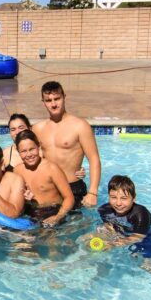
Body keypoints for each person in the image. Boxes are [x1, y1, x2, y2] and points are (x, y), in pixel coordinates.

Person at [32, 81, 101, 209]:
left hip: (73, 188)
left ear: (64, 97)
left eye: (57, 99)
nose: (53, 104)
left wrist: (93, 192)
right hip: (49, 189)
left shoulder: (80, 126)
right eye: (48, 100)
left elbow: (94, 159)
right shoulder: (37, 129)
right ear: (43, 102)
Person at [92, 175, 151, 266]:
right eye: (113, 197)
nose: (118, 203)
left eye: (124, 198)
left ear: (134, 198)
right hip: (131, 230)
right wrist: (99, 236)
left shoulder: (140, 213)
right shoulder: (104, 210)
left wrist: (114, 244)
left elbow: (138, 237)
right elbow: (109, 227)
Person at [13, 130, 74, 227]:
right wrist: (25, 200)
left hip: (53, 212)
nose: (29, 155)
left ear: (39, 146)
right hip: (30, 213)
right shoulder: (17, 170)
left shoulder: (52, 169)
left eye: (32, 149)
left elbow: (69, 197)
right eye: (23, 151)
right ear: (18, 152)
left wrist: (58, 217)